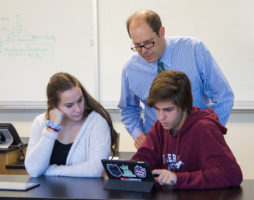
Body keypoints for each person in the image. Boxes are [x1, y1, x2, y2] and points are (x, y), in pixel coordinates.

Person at [118, 9, 234, 149]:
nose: (143, 51)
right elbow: (128, 109)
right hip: (157, 146)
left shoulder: (193, 50)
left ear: (161, 32)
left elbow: (224, 97)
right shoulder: (130, 69)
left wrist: (208, 132)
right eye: (137, 45)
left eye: (148, 43)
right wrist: (138, 134)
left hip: (198, 142)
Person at [131, 70, 242, 189]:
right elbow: (143, 160)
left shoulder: (204, 129)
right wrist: (127, 170)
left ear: (184, 105)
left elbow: (232, 174)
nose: (161, 117)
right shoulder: (160, 127)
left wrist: (178, 179)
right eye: (157, 109)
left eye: (168, 110)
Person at [25, 72, 118, 177]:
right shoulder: (40, 122)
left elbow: (95, 169)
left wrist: (50, 171)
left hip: (83, 192)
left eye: (80, 100)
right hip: (45, 193)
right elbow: (33, 170)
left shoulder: (97, 122)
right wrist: (51, 129)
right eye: (69, 105)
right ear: (54, 106)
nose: (78, 109)